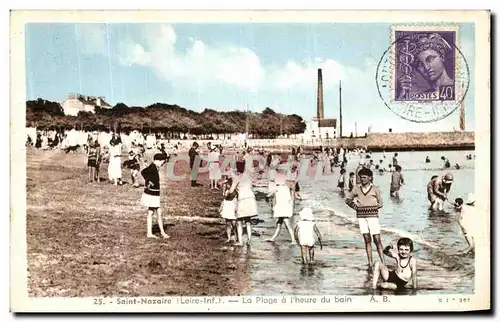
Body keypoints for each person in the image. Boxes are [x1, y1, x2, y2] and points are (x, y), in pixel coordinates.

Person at [345, 168, 385, 270]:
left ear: (370, 178)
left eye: (364, 177)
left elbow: (380, 203)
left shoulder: (375, 189)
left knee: (377, 239)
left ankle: (383, 263)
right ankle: (370, 263)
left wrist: (371, 208)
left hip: (373, 217)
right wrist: (356, 207)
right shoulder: (356, 189)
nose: (362, 179)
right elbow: (348, 200)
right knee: (367, 239)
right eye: (361, 177)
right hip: (361, 217)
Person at [227, 161, 258, 246]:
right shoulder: (248, 177)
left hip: (243, 199)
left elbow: (231, 190)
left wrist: (227, 192)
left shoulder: (237, 177)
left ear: (237, 169)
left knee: (239, 221)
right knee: (248, 221)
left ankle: (240, 242)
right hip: (251, 198)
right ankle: (249, 240)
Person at [140, 153, 170, 239]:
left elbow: (144, 172)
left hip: (153, 193)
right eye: (162, 162)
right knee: (158, 212)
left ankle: (150, 233)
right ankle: (162, 233)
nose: (162, 164)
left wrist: (148, 182)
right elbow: (143, 172)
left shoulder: (154, 167)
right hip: (152, 193)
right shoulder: (152, 167)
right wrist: (149, 182)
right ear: (158, 160)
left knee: (151, 212)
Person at [266, 172, 296, 244]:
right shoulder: (285, 187)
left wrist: (267, 197)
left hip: (282, 210)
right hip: (284, 209)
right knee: (279, 224)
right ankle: (273, 238)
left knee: (286, 224)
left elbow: (270, 194)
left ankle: (293, 240)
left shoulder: (278, 187)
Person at [219, 177, 237, 243]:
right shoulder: (227, 190)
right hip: (227, 207)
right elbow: (224, 199)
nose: (227, 185)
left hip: (231, 208)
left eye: (228, 184)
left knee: (233, 223)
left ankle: (236, 236)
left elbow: (229, 198)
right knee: (227, 223)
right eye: (227, 185)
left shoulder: (233, 191)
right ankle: (229, 237)